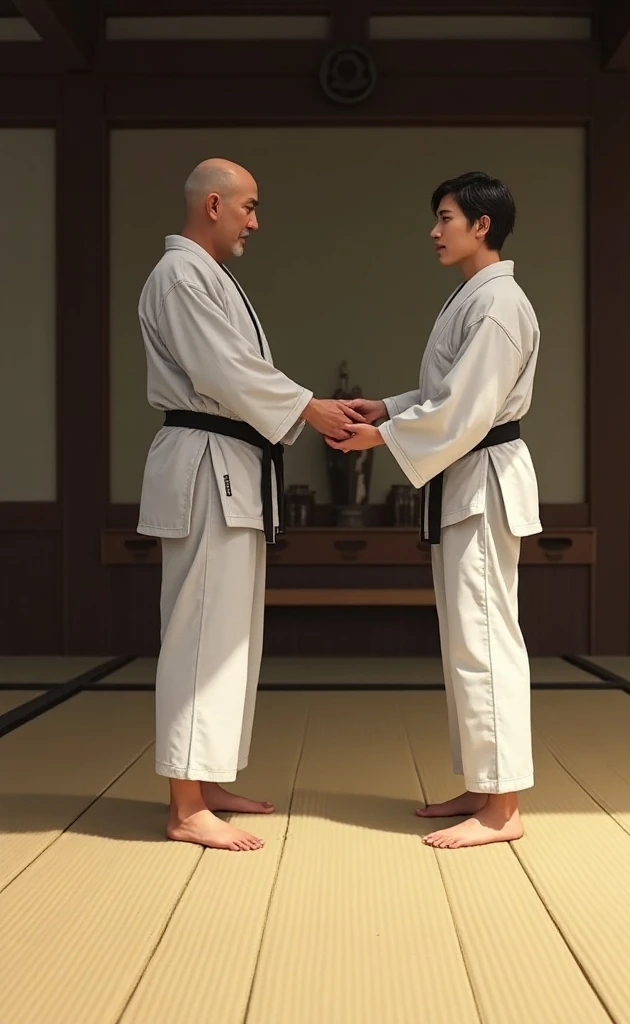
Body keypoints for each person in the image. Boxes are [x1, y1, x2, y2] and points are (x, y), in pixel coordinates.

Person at [137, 158, 362, 851]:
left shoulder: (209, 278)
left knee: (230, 632)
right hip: (206, 461)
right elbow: (224, 372)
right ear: (213, 204)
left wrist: (303, 408)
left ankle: (203, 780)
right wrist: (310, 409)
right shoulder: (178, 276)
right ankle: (183, 803)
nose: (256, 222)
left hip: (231, 461)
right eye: (249, 208)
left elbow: (241, 374)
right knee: (200, 629)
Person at [328, 171, 541, 849]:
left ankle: (504, 808)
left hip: (482, 482)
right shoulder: (474, 299)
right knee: (466, 642)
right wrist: (388, 410)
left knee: (484, 641)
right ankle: (486, 784)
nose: (434, 229)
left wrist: (382, 437)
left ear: (481, 225)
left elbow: (467, 407)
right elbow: (446, 391)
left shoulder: (499, 304)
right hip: (466, 480)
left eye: (445, 216)